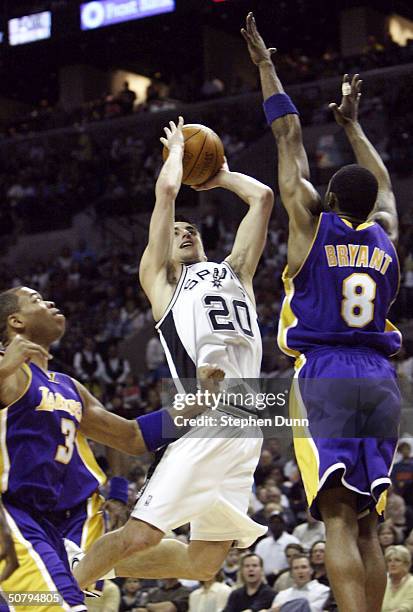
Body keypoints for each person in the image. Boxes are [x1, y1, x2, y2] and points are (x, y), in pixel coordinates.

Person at [73, 115, 274, 588]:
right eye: (176, 230)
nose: (183, 231)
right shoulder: (164, 284)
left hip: (251, 424)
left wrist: (220, 175)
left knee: (204, 563)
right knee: (140, 534)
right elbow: (165, 197)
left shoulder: (236, 271)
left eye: (191, 228)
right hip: (208, 416)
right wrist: (179, 160)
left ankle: (86, 567)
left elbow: (262, 197)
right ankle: (49, 595)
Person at [242, 12, 401, 612]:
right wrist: (356, 127)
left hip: (326, 372)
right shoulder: (386, 234)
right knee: (368, 524)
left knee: (335, 517)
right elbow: (384, 184)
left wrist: (266, 65)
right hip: (381, 381)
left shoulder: (311, 223)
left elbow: (287, 138)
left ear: (329, 198)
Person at [0, 286, 217, 606]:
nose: (50, 302)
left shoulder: (67, 386)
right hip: (10, 513)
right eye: (36, 300)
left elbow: (130, 437)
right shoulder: (10, 368)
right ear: (16, 322)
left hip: (43, 521)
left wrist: (201, 401)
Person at [255, 511, 300, 579]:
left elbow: (298, 562)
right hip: (265, 579)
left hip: (287, 578)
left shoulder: (293, 541)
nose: (275, 525)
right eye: (272, 522)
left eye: (278, 522)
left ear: (284, 524)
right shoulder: (262, 544)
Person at [382, 545, 413, 612]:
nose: (392, 564)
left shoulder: (411, 582)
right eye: (389, 561)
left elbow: (407, 607)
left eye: (397, 560)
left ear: (407, 564)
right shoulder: (383, 580)